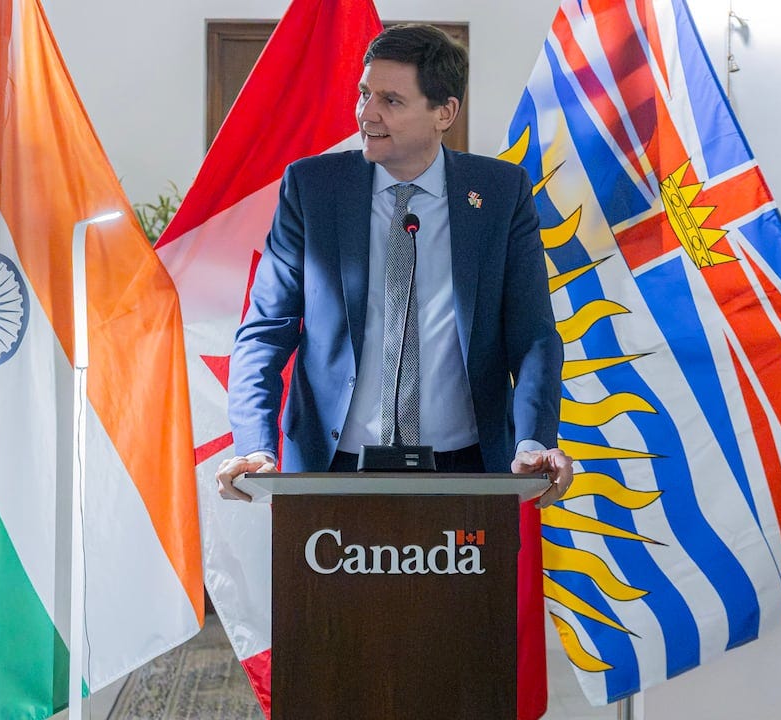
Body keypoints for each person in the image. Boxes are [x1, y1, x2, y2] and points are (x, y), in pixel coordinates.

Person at [215, 23, 572, 504]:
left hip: (467, 471)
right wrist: (255, 445)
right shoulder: (313, 189)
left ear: (444, 113)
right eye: (364, 94)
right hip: (332, 467)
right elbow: (266, 329)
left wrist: (533, 440)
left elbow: (532, 334)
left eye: (391, 100)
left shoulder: (500, 194)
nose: (368, 113)